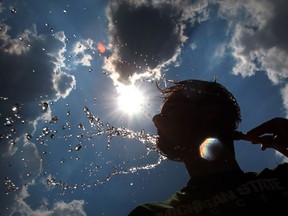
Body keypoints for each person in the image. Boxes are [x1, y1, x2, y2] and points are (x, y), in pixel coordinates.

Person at [128, 79, 288, 216]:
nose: (156, 120)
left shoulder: (282, 180)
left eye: (171, 109)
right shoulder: (149, 213)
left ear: (210, 111)